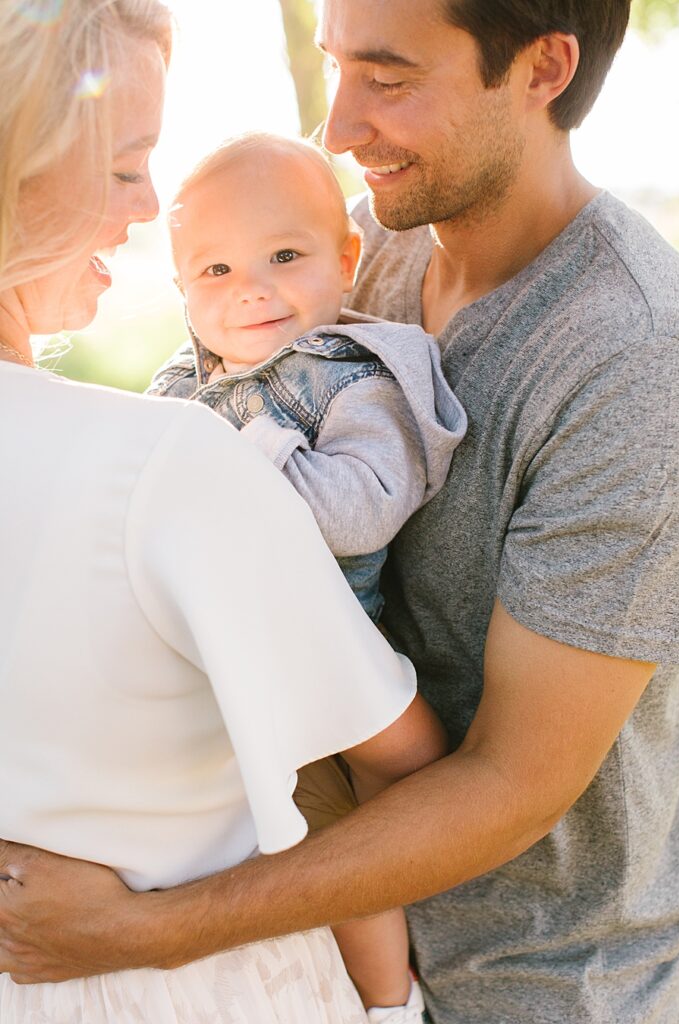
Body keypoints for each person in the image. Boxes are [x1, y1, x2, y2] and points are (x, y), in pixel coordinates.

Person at [1, 1, 679, 1023]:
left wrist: (142, 927)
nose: (339, 127)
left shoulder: (629, 360)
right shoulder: (349, 242)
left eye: (390, 80)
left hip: (532, 985)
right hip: (316, 948)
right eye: (335, 67)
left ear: (541, 68)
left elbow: (511, 781)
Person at [0, 2, 448, 1022]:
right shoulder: (169, 461)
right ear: (18, 167)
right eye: (124, 165)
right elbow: (405, 759)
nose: (148, 200)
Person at [145, 130, 465, 1021]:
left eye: (283, 255)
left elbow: (361, 507)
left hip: (327, 659)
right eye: (214, 271)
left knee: (344, 845)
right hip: (218, 650)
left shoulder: (355, 380)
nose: (250, 286)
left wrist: (246, 466)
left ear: (345, 259)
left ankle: (386, 1002)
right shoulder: (181, 385)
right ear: (180, 291)